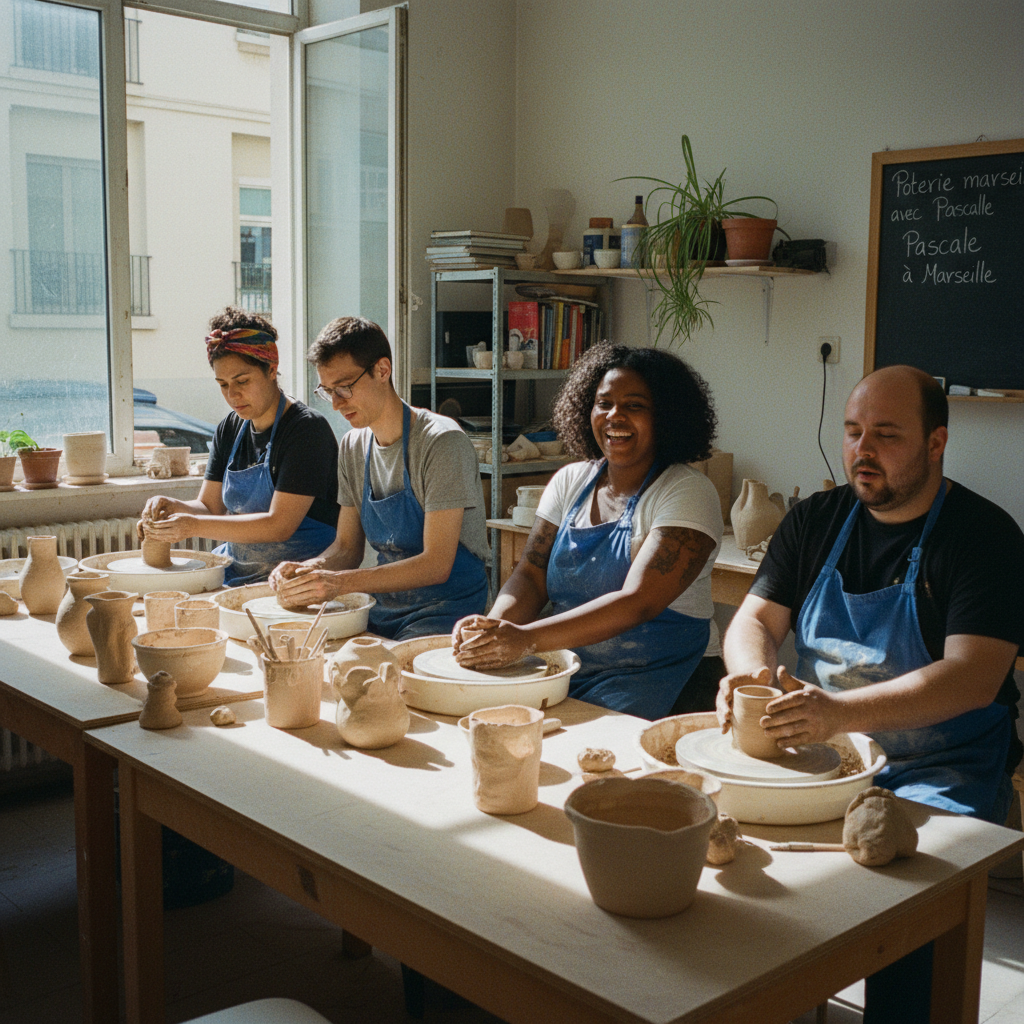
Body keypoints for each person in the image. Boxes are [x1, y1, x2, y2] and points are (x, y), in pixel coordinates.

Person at [718, 364, 1023, 1024]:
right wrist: (750, 676)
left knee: (899, 910)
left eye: (885, 434)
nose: (862, 450)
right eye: (854, 432)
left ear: (936, 443)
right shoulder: (816, 521)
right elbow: (753, 621)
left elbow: (974, 677)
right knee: (743, 886)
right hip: (828, 755)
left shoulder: (984, 537)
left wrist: (835, 713)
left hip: (943, 768)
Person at [452, 344, 724, 720]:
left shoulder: (686, 490)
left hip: (667, 680)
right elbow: (530, 575)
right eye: (604, 403)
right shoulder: (571, 481)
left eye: (634, 405)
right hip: (572, 668)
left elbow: (639, 601)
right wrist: (496, 626)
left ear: (666, 416)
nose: (615, 416)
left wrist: (526, 639)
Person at [269, 316, 488, 639]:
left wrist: (340, 583)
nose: (336, 404)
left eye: (344, 387)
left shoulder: (441, 441)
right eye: (327, 391)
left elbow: (436, 564)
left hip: (450, 611)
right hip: (386, 607)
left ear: (382, 370)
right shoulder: (353, 446)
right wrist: (310, 569)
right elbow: (346, 549)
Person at [141, 307, 340, 586]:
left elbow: (279, 526)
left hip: (298, 579)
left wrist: (191, 525)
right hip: (237, 572)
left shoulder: (305, 430)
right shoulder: (230, 429)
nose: (232, 395)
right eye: (222, 385)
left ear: (271, 369)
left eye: (242, 381)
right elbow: (210, 507)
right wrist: (175, 508)